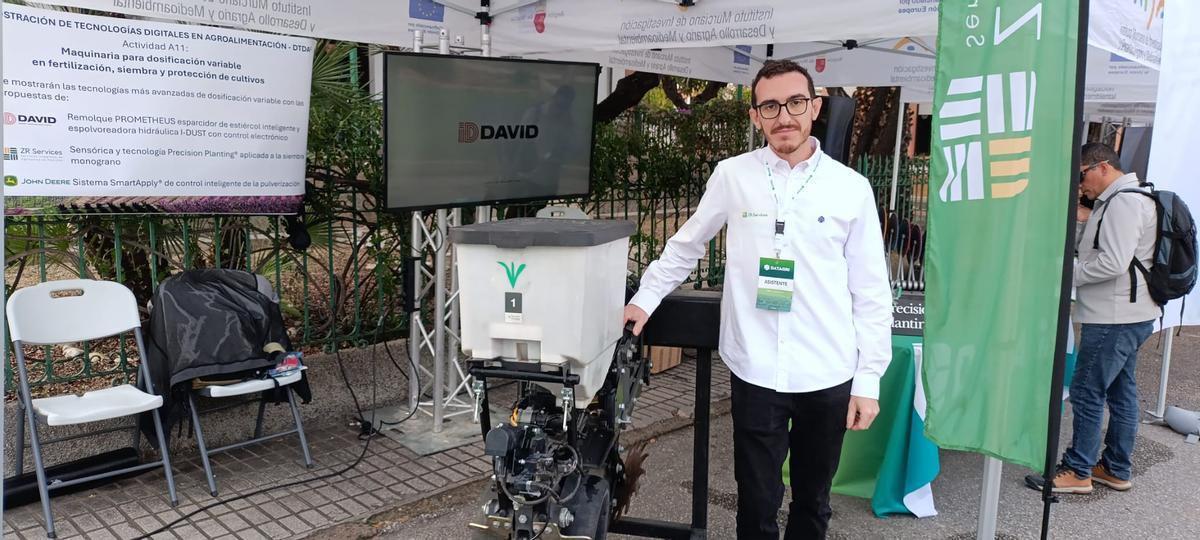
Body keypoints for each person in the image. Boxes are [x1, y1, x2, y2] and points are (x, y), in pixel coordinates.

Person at [623, 60, 893, 539]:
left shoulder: (851, 189)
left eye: (794, 103)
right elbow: (688, 244)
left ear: (814, 107)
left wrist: (868, 378)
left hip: (827, 372)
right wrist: (644, 299)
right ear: (755, 116)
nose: (783, 116)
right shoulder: (733, 176)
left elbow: (871, 289)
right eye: (770, 106)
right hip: (756, 369)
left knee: (813, 502)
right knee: (756, 503)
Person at [1027, 142, 1158, 494]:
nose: (1080, 185)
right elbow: (1108, 250)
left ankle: (1078, 469)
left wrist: (1065, 272)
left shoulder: (1124, 202)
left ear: (1102, 167)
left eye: (1081, 175)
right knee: (1120, 390)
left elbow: (1113, 263)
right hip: (1131, 312)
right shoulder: (1125, 198)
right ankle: (1115, 467)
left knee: (1087, 390)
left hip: (1114, 314)